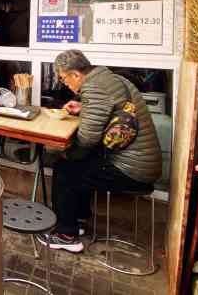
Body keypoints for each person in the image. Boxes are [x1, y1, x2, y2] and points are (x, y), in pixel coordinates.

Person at [38, 50, 162, 253]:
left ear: (76, 74)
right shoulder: (109, 78)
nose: (65, 84)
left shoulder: (94, 87)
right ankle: (77, 219)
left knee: (65, 170)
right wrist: (83, 107)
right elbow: (111, 107)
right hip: (142, 162)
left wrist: (60, 151)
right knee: (78, 165)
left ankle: (66, 235)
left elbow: (87, 139)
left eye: (64, 78)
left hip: (133, 169)